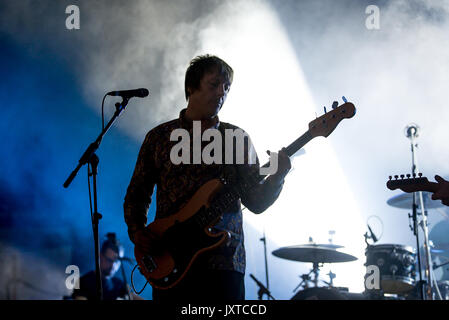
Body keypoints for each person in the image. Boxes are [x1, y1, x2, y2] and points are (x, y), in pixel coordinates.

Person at [123, 54, 291, 301]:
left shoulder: (236, 138)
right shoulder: (160, 137)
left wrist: (276, 178)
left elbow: (255, 202)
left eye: (226, 87)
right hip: (169, 259)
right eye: (214, 85)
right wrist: (137, 232)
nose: (221, 93)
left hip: (223, 264)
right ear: (191, 86)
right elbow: (137, 193)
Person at [72, 233, 139, 300]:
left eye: (116, 261)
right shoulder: (83, 282)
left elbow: (135, 297)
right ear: (100, 256)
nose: (113, 265)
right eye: (109, 260)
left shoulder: (119, 284)